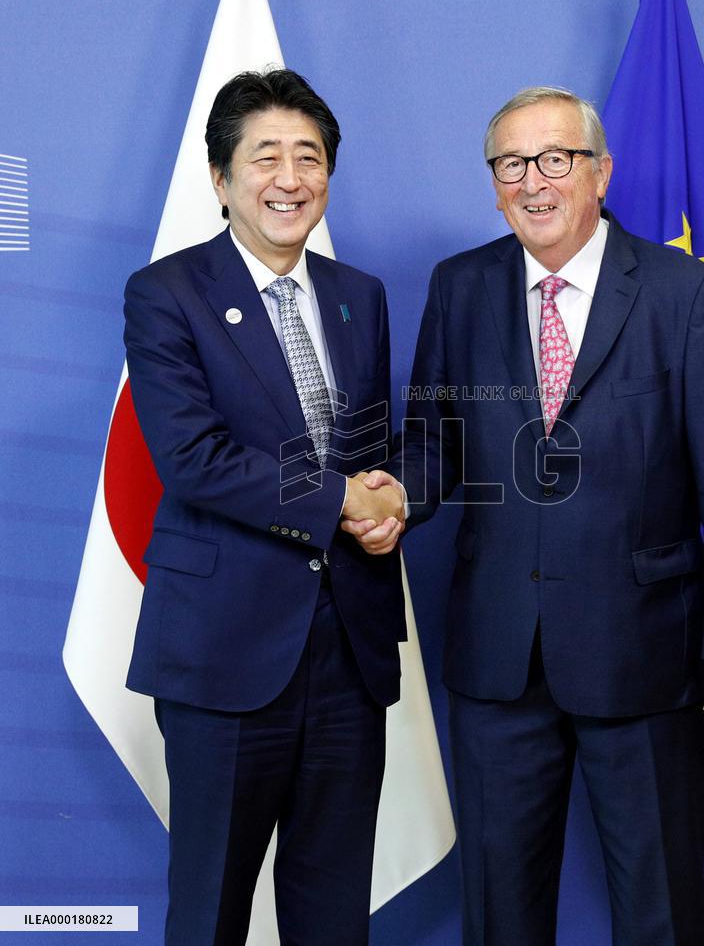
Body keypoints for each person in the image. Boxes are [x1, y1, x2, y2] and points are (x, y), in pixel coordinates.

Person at [344, 87, 704, 945]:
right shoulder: (459, 285)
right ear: (494, 182)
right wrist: (393, 496)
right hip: (498, 657)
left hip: (645, 653)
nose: (532, 183)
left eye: (555, 160)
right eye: (510, 164)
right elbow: (433, 445)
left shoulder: (681, 292)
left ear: (599, 172)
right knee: (501, 918)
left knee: (660, 914)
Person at [123, 68, 406, 946]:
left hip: (349, 650)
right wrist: (340, 500)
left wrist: (392, 498)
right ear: (220, 178)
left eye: (309, 157)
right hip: (225, 650)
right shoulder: (167, 293)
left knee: (333, 915)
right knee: (210, 910)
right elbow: (194, 458)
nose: (290, 178)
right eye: (266, 156)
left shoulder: (360, 295)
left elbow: (366, 451)